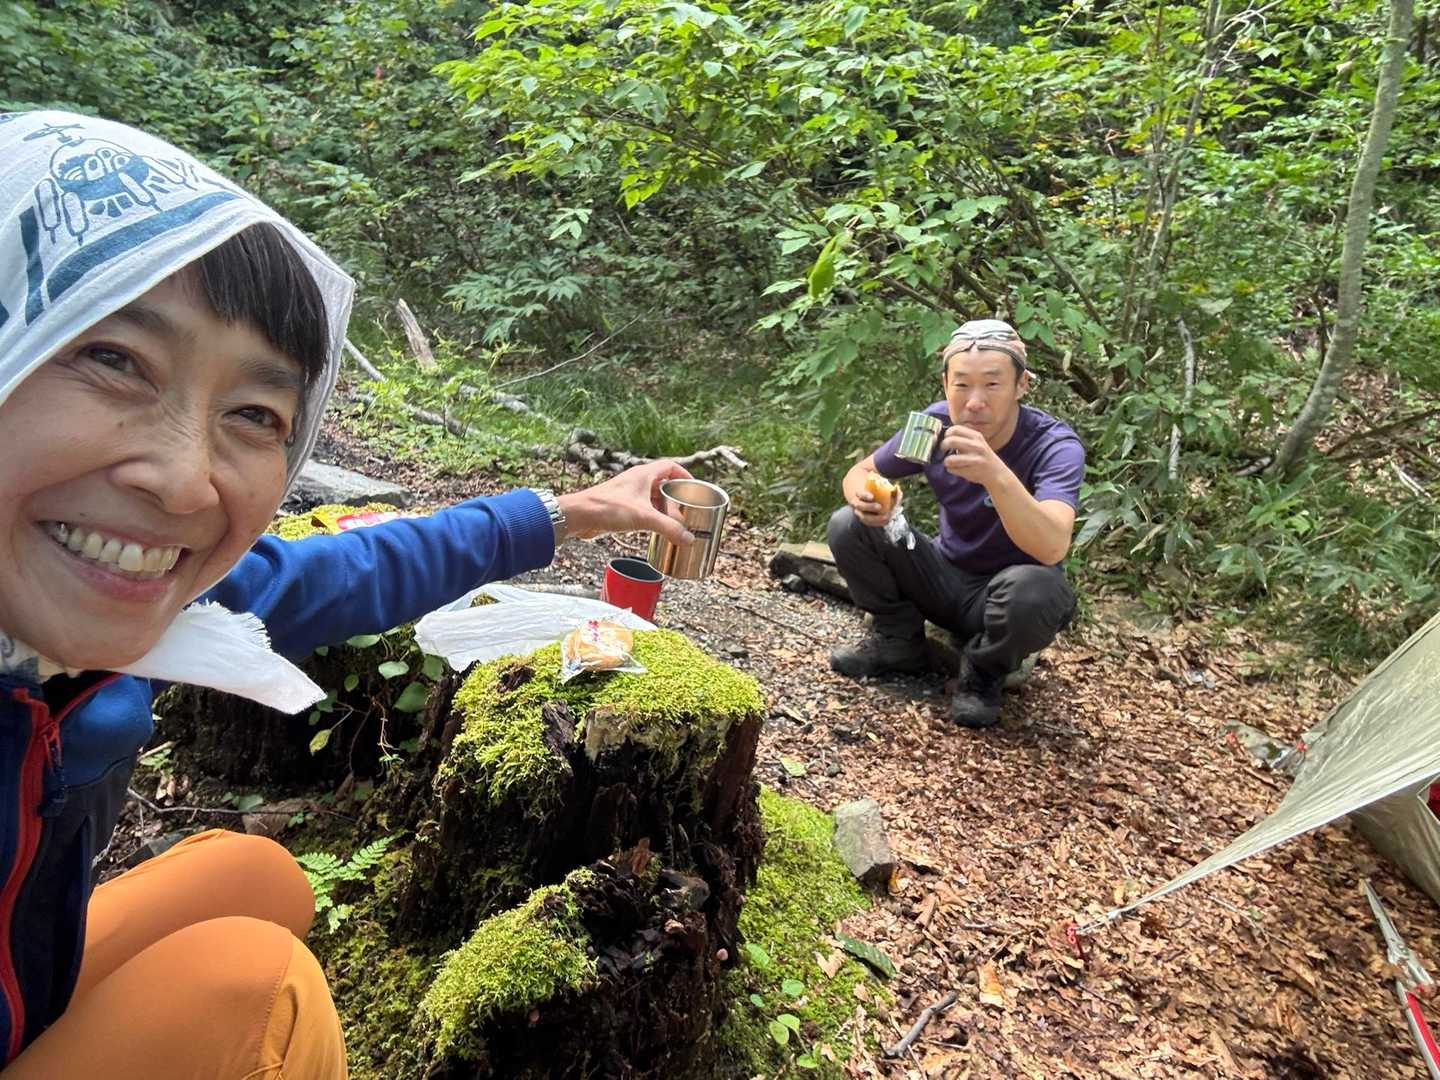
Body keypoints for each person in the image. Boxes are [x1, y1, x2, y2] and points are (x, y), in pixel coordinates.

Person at [0, 111, 695, 1077]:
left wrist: (570, 513)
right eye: (112, 359)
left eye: (254, 412)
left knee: (258, 878)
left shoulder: (137, 613)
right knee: (261, 991)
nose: (185, 482)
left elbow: (349, 571)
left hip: (23, 977)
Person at [826, 319, 1084, 729]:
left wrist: (996, 475)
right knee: (848, 524)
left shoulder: (1053, 445)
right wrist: (869, 498)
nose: (975, 402)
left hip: (1004, 599)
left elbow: (1052, 545)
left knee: (1039, 589)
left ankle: (983, 674)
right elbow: (862, 471)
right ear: (945, 385)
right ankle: (898, 641)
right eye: (961, 385)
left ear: (1021, 385)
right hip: (940, 575)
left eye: (993, 385)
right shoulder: (932, 426)